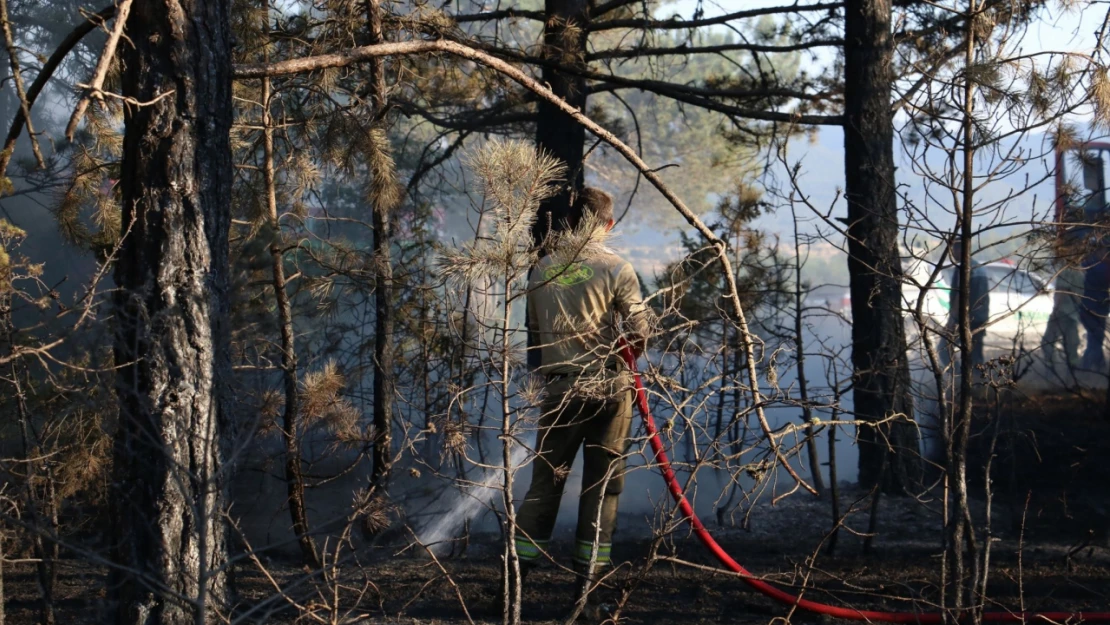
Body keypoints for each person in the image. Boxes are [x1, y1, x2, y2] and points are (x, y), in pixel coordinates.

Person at [514, 187, 651, 614]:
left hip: (558, 392)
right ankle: (585, 597)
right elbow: (640, 332)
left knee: (544, 485)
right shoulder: (617, 267)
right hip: (611, 391)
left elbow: (535, 339)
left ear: (571, 224)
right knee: (602, 487)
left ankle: (515, 586)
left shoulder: (541, 270)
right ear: (607, 225)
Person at [942, 241, 990, 368]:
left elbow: (960, 295)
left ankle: (957, 377)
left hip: (966, 318)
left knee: (944, 347)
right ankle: (977, 382)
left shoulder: (964, 269)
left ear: (961, 250)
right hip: (980, 317)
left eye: (954, 250)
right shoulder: (978, 267)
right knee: (975, 352)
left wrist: (952, 320)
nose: (952, 253)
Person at [1042, 261, 1084, 369]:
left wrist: (1056, 310)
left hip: (1063, 311)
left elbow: (1062, 290)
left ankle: (1050, 367)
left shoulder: (1066, 270)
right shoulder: (1080, 270)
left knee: (1048, 341)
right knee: (1072, 343)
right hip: (1073, 313)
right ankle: (1073, 369)